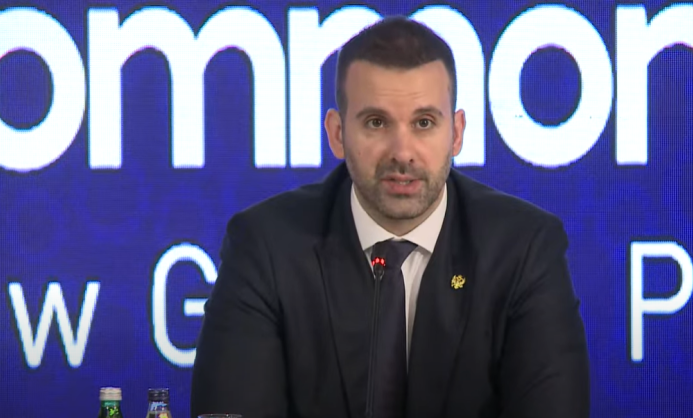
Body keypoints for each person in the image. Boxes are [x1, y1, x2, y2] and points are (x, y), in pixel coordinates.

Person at [191, 16, 590, 418]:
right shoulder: (266, 248)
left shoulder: (523, 250)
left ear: (456, 133)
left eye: (424, 123)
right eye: (376, 123)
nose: (402, 152)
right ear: (337, 134)